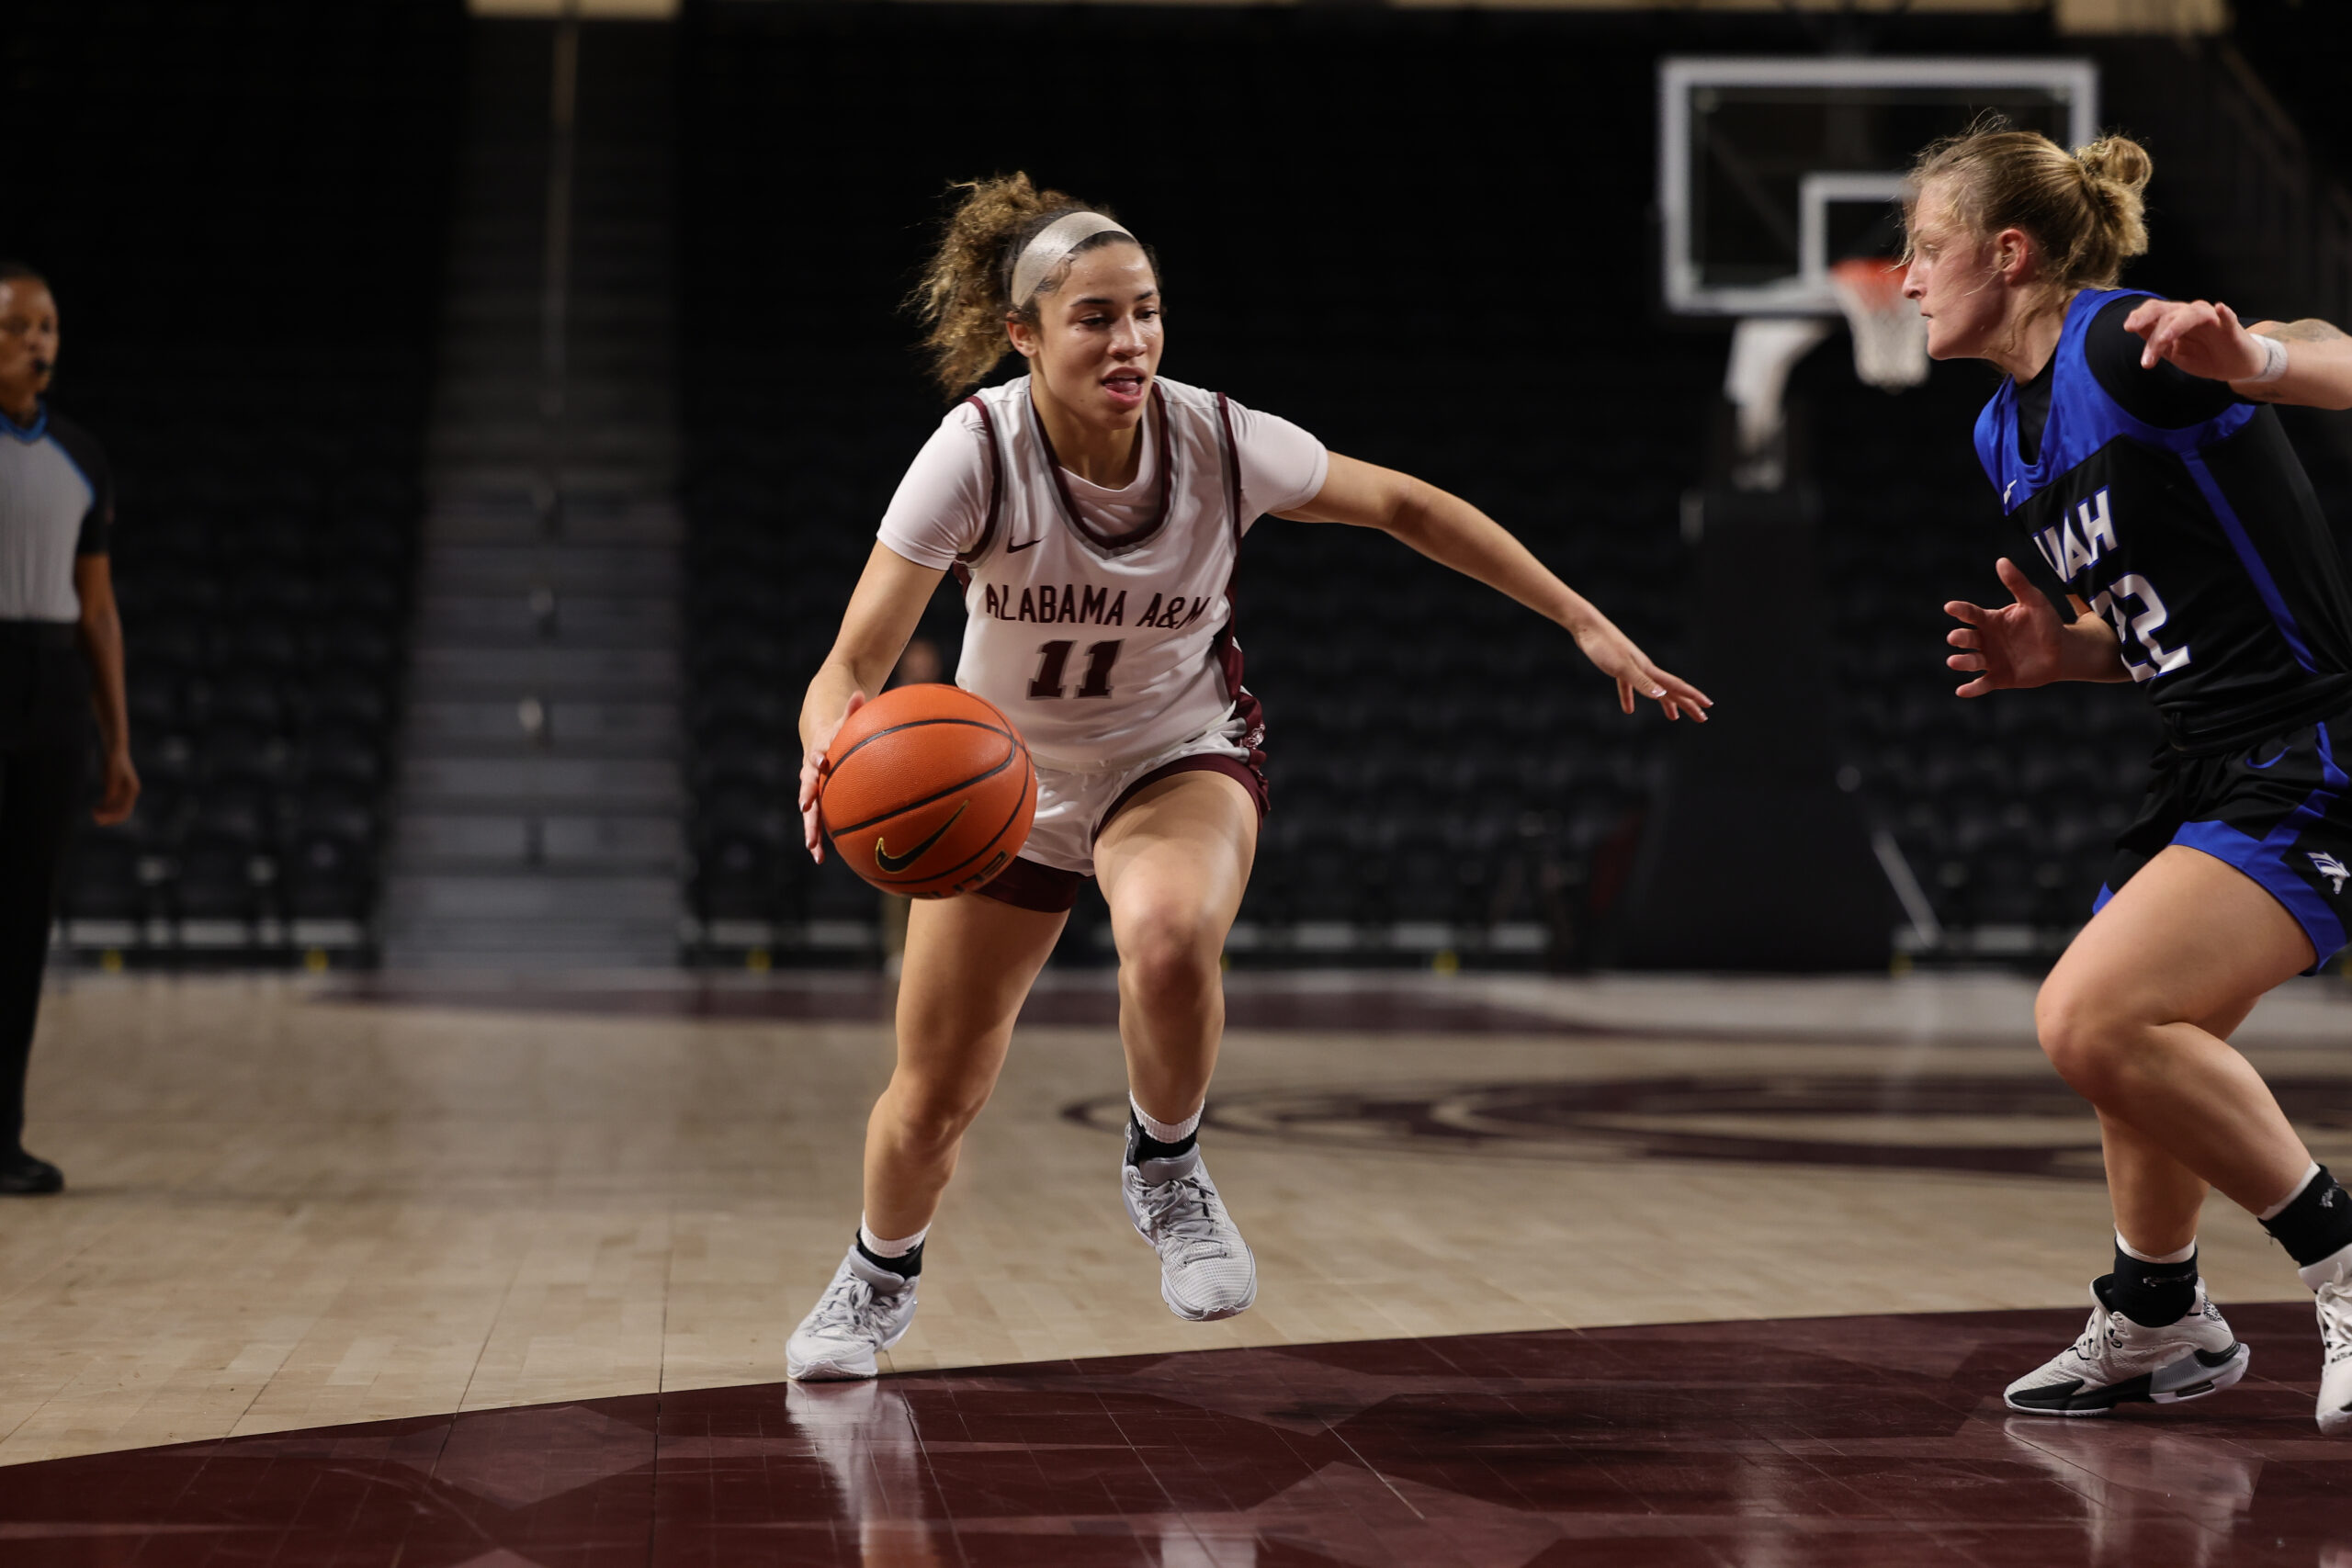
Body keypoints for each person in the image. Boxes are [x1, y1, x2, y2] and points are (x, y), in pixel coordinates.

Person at [782, 175, 1710, 1380]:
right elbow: (850, 660)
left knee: (1168, 934)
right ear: (1025, 334)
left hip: (1178, 752)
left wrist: (1581, 617)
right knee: (934, 1094)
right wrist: (829, 740)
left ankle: (1166, 1163)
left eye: (1149, 312)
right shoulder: (975, 450)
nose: (1132, 341)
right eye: (1098, 318)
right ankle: (878, 1272)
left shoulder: (1218, 437)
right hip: (1002, 784)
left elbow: (1407, 506)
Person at [1905, 126, 2352, 1431]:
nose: (1908, 276)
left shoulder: (2123, 345)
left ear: (2009, 250)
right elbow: (2173, 611)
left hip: (2313, 744)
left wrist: (2259, 360)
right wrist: (2071, 654)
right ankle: (2159, 1315)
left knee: (2088, 1015)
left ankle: (2340, 1262)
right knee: (2140, 1044)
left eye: (1925, 248)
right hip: (2202, 755)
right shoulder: (2005, 430)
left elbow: (2329, 348)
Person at [0, 261, 138, 1196]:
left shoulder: (82, 455)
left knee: (22, 923)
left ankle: (1, 1137)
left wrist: (117, 738)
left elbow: (97, 611)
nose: (36, 341)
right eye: (17, 326)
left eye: (46, 326)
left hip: (49, 685)